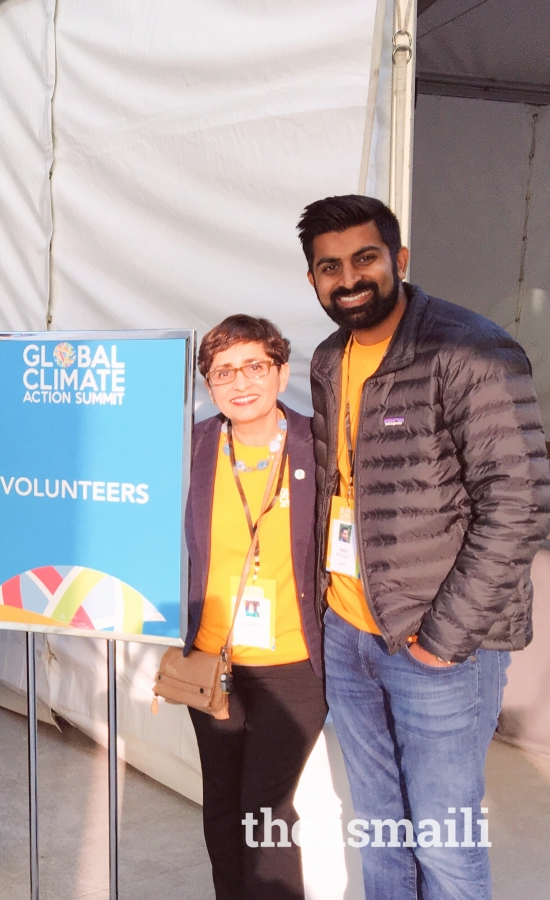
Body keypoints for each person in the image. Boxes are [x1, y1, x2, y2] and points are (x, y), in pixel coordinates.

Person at [298, 194, 550, 899]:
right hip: (349, 633)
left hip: (439, 646)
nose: (348, 278)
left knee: (443, 844)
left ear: (399, 260)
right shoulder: (328, 359)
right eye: (328, 267)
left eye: (365, 259)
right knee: (381, 831)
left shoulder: (470, 348)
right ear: (313, 279)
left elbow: (519, 502)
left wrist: (444, 639)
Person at [182, 315, 326, 900]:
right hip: (211, 660)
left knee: (265, 811)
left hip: (292, 666)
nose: (240, 382)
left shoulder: (316, 446)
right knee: (220, 804)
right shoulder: (193, 447)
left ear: (280, 371)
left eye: (254, 367)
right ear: (208, 386)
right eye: (223, 372)